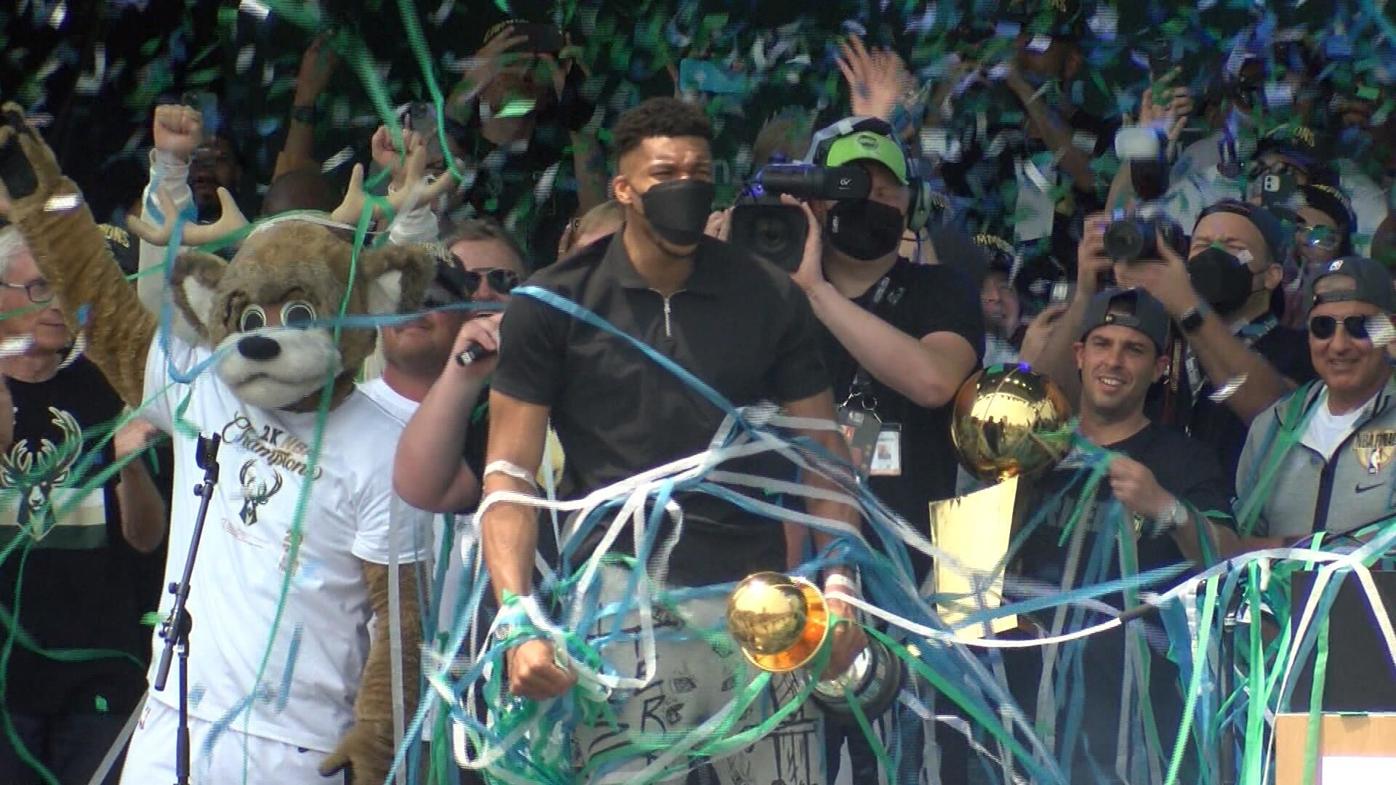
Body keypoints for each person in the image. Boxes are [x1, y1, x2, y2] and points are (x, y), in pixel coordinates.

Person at [478, 96, 864, 784]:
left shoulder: (769, 296)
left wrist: (839, 582)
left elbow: (824, 452)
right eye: (664, 172)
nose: (685, 186)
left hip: (757, 598)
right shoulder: (553, 304)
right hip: (617, 602)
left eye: (698, 170)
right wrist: (516, 615)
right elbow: (508, 472)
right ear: (624, 188)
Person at [787, 115, 983, 785]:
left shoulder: (940, 288)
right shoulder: (767, 292)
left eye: (887, 188)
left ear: (909, 203)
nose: (871, 199)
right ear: (816, 200)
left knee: (913, 760)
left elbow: (934, 380)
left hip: (919, 575)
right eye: (852, 183)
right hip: (794, 570)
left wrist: (818, 293)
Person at [1009, 287, 1237, 783]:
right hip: (1024, 703)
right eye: (1102, 344)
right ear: (1079, 354)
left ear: (1159, 367)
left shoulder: (1184, 457)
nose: (1114, 360)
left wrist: (1166, 508)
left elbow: (1230, 562)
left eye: (1133, 349)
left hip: (1135, 719)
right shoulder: (1035, 448)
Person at [0, 227, 166, 785]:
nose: (58, 304)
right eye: (39, 287)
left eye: (65, 287)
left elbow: (147, 539)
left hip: (97, 670)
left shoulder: (109, 387)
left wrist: (131, 464)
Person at [1029, 200, 1313, 482]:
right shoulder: (1153, 343)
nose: (1212, 256)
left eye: (1233, 247)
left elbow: (1277, 418)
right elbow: (1044, 409)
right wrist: (1085, 297)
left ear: (1272, 275)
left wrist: (1186, 305)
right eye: (1202, 245)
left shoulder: (1302, 346)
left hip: (1228, 516)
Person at [1235, 256, 1396, 544]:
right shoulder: (1272, 425)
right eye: (1323, 327)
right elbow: (1243, 546)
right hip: (1285, 590)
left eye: (1359, 326)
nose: (1339, 345)